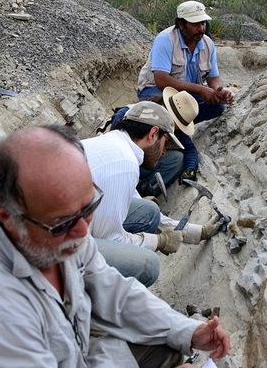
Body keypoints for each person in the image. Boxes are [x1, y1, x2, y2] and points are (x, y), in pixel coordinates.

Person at [0, 124, 230, 368]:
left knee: (168, 338)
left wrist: (189, 330)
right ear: (7, 220)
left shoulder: (56, 231)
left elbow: (113, 289)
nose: (84, 231)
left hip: (79, 364)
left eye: (88, 206)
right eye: (64, 222)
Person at [83, 101, 220, 285]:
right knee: (148, 265)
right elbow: (111, 239)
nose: (164, 152)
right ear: (153, 134)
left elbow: (150, 213)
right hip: (50, 250)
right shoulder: (124, 164)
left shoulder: (114, 144)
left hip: (57, 225)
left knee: (149, 211)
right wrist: (159, 241)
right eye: (165, 143)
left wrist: (196, 233)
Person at [137, 0, 234, 126]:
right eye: (195, 24)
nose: (201, 28)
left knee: (217, 107)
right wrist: (200, 89)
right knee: (175, 106)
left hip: (186, 93)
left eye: (203, 23)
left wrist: (218, 91)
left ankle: (176, 126)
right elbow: (161, 80)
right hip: (153, 90)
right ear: (181, 24)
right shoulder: (165, 40)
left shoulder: (208, 43)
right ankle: (169, 129)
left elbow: (213, 77)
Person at [111, 87, 201, 197]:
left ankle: (144, 191)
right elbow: (114, 150)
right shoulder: (129, 114)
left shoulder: (172, 126)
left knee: (177, 158)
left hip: (141, 162)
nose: (164, 152)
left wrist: (191, 168)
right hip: (118, 164)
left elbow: (189, 148)